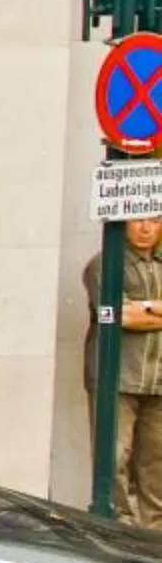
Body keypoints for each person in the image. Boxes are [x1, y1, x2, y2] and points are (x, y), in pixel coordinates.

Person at [80, 213, 162, 526]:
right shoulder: (104, 264)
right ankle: (118, 532)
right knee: (112, 462)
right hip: (117, 379)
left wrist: (143, 308)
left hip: (157, 382)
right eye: (138, 219)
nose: (145, 227)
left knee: (156, 467)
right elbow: (119, 316)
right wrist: (149, 309)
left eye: (154, 220)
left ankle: (154, 537)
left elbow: (131, 312)